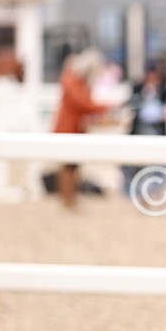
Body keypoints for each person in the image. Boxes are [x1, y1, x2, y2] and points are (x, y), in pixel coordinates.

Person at [52, 48, 108, 210]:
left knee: (74, 166)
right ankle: (66, 199)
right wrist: (104, 108)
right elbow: (83, 103)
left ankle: (71, 198)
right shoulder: (72, 80)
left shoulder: (78, 81)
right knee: (67, 166)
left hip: (76, 128)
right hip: (67, 128)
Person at [121, 63, 166, 197]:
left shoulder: (163, 90)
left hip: (157, 131)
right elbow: (127, 105)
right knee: (133, 163)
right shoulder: (138, 89)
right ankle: (133, 191)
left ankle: (155, 191)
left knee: (159, 163)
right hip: (139, 131)